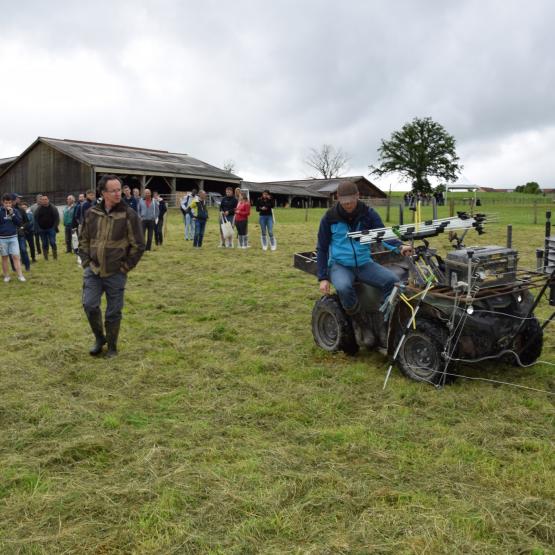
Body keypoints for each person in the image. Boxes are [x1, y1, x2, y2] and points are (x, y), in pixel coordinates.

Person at [316, 181, 412, 346]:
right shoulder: (329, 218)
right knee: (344, 287)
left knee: (393, 282)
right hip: (340, 265)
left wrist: (400, 246)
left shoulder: (368, 214)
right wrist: (323, 277)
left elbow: (382, 235)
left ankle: (382, 325)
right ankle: (362, 325)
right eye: (344, 202)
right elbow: (322, 248)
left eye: (351, 201)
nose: (347, 205)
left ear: (358, 196)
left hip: (364, 263)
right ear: (338, 198)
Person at [79, 174, 145, 357]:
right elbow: (83, 239)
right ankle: (100, 338)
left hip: (116, 272)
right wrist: (86, 262)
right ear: (103, 192)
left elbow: (139, 245)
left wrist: (124, 268)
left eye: (120, 189)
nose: (118, 193)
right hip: (93, 270)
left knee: (113, 312)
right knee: (90, 305)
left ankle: (113, 346)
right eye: (113, 190)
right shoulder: (91, 213)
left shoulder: (128, 215)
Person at [0, 193, 26, 282]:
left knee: (16, 257)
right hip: (2, 239)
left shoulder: (15, 211)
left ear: (11, 203)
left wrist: (12, 215)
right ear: (2, 203)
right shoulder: (0, 212)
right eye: (6, 203)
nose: (8, 205)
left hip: (13, 238)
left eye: (9, 203)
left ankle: (20, 275)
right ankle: (6, 276)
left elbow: (19, 223)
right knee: (4, 257)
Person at [34, 194, 60, 260]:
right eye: (43, 200)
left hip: (51, 228)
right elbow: (35, 219)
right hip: (42, 229)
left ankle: (55, 256)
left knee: (52, 242)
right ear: (41, 201)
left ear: (48, 200)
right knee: (44, 243)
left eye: (46, 199)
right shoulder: (38, 209)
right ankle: (46, 257)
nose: (44, 201)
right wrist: (38, 228)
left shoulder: (53, 208)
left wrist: (54, 227)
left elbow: (57, 218)